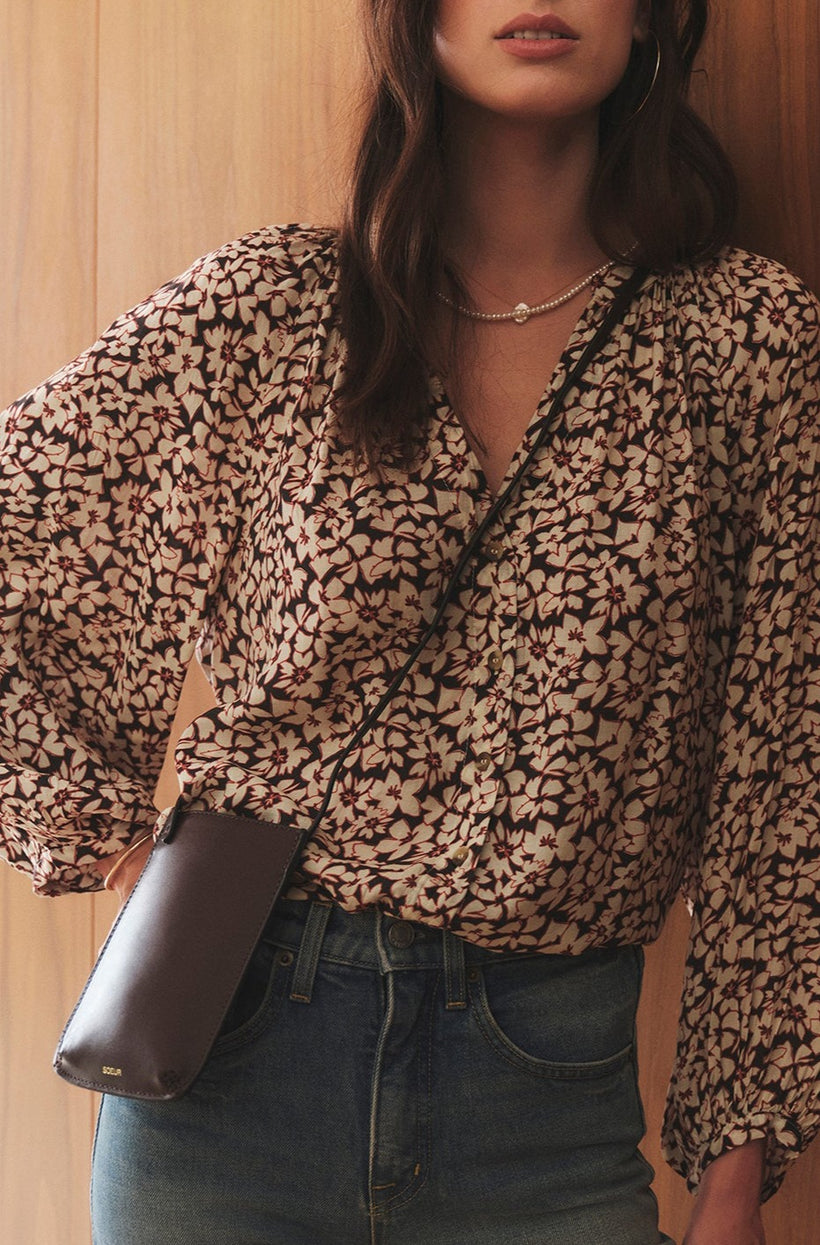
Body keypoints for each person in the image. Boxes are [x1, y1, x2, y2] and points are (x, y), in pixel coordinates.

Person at [1, 0, 817, 1241]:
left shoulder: (742, 344)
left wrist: (734, 1174)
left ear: (650, 16)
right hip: (227, 1074)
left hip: (548, 1104)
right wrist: (121, 860)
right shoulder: (273, 310)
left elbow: (786, 773)